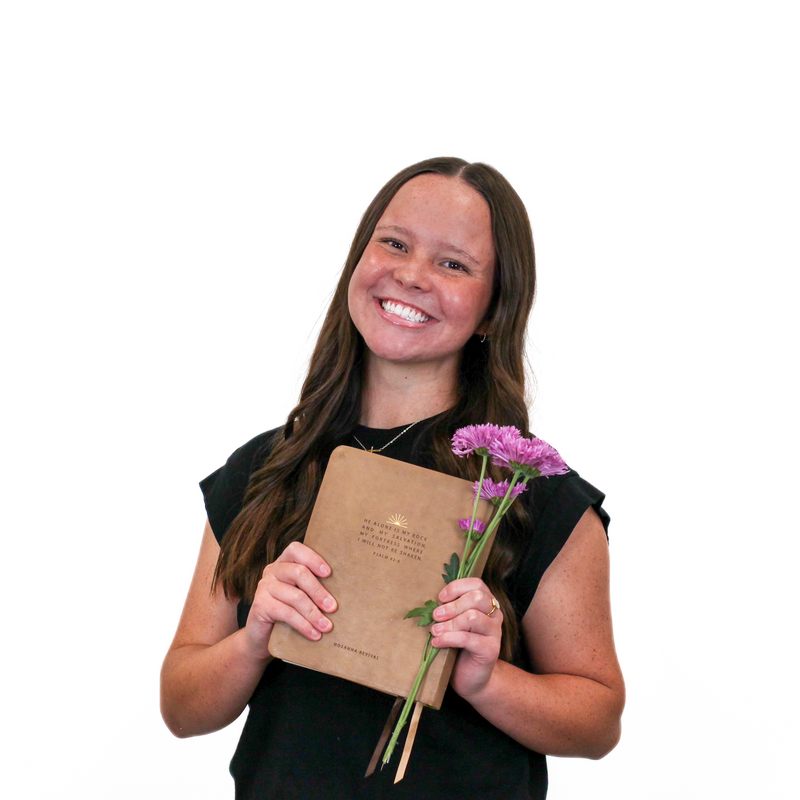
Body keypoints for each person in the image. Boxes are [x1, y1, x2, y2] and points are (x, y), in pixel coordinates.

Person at [160, 157, 625, 799]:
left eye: (453, 264)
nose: (410, 275)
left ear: (494, 310)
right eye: (395, 243)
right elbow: (181, 707)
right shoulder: (266, 468)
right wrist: (256, 639)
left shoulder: (529, 492)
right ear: (359, 259)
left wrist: (485, 679)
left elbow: (598, 723)